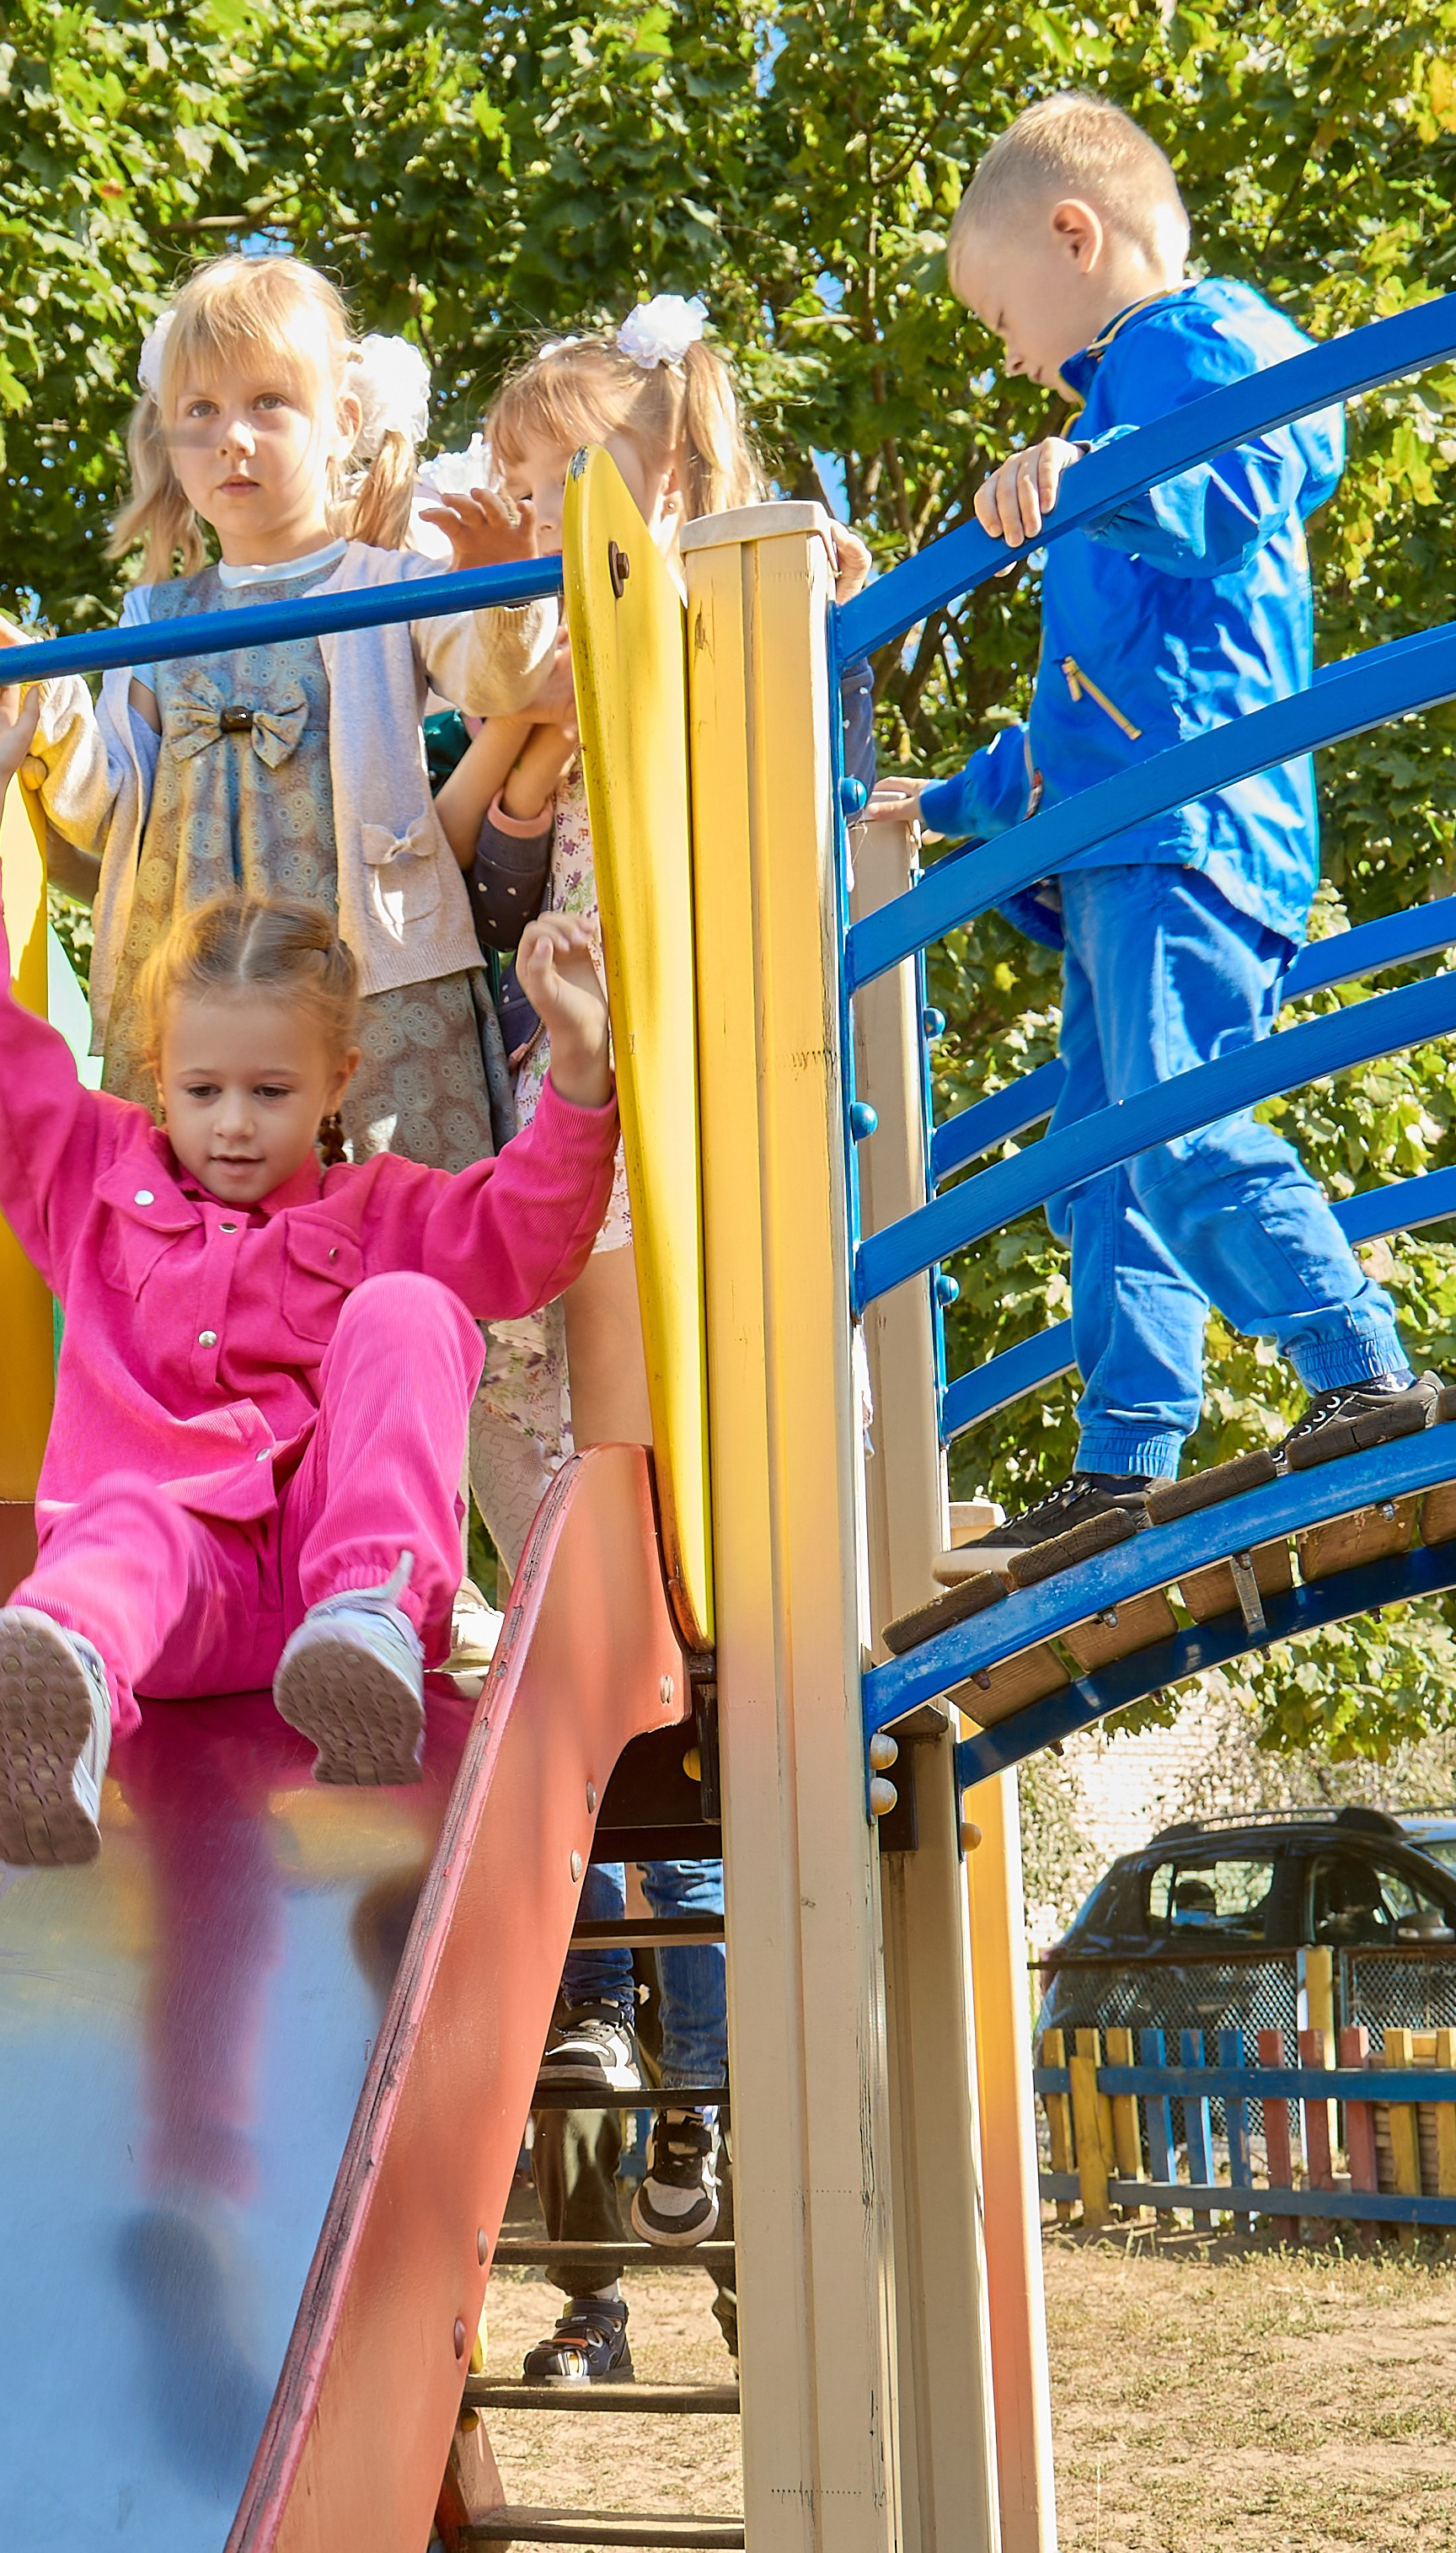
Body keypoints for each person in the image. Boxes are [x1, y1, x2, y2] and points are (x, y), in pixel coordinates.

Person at [439, 295, 874, 2384]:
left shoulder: (725, 611)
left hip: (696, 1146)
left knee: (641, 1357)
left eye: (555, 481)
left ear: (651, 474)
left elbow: (788, 796)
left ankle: (693, 2163)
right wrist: (495, 676)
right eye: (515, 489)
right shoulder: (539, 679)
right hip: (581, 1112)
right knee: (536, 1358)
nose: (532, 517)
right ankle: (602, 2225)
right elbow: (471, 860)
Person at [0, 669, 621, 1864]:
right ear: (159, 1070)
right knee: (120, 1518)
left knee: (408, 1306)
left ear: (339, 1080)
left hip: (326, 1582)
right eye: (202, 1089)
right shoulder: (89, 1174)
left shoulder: (373, 1206)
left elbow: (529, 1237)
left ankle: (374, 1618)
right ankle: (57, 1692)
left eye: (270, 1091)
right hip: (173, 1596)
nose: (232, 1121)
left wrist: (582, 1061)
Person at [868, 90, 1432, 1598]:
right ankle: (1123, 1454)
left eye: (1003, 313)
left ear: (1078, 235)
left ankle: (1356, 1360)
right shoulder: (1111, 414)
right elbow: (1082, 720)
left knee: (1175, 1126)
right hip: (1129, 830)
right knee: (1099, 1163)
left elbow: (1247, 480)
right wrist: (935, 804)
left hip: (1191, 836)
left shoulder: (1196, 343)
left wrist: (1087, 477)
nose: (1006, 350)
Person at [0, 252, 556, 1176]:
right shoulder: (155, 621)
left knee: (394, 1237)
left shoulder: (391, 587)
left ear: (341, 422)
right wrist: (35, 687)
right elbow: (106, 807)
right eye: (202, 411)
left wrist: (507, 592)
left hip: (371, 993)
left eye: (269, 402)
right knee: (200, 1269)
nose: (234, 438)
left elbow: (499, 683)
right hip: (194, 1006)